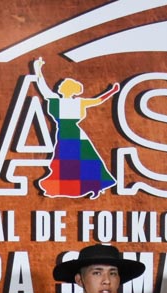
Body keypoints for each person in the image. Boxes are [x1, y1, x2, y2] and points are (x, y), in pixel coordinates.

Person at [31, 57, 120, 199]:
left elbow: (97, 101)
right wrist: (37, 69)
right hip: (64, 134)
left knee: (87, 160)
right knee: (65, 162)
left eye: (63, 85)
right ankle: (63, 188)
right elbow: (42, 86)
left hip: (75, 134)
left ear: (68, 89)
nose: (59, 86)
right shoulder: (55, 99)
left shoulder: (79, 102)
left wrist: (112, 91)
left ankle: (95, 187)